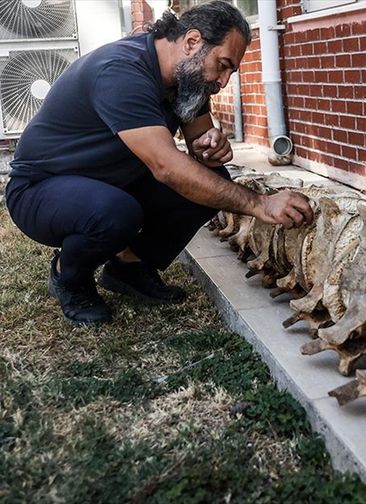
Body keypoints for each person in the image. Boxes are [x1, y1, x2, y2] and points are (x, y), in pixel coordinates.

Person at [4, 1, 312, 325]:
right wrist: (260, 204)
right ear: (192, 42)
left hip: (111, 183)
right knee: (117, 211)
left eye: (230, 72)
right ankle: (67, 275)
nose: (222, 82)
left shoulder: (189, 78)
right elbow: (166, 167)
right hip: (40, 190)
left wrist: (212, 146)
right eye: (222, 65)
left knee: (211, 179)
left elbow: (201, 148)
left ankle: (130, 268)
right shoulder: (122, 71)